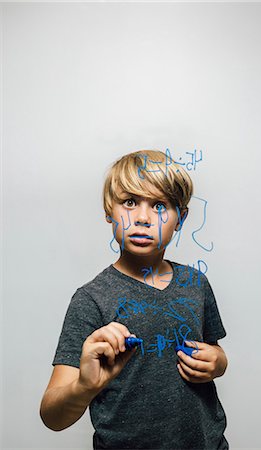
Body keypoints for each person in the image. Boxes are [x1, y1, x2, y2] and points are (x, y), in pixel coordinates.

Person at [40, 149, 229, 450]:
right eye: (129, 202)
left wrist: (219, 363)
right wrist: (84, 386)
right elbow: (52, 416)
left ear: (181, 217)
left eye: (159, 206)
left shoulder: (196, 283)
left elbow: (214, 352)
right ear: (108, 210)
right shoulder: (91, 299)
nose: (142, 218)